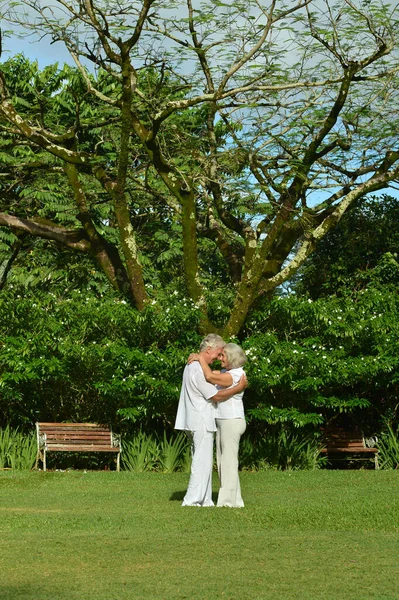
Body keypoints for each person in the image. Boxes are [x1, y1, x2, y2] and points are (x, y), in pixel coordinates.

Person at [175, 334, 247, 507]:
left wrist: (199, 358)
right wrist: (238, 388)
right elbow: (214, 395)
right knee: (203, 461)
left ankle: (210, 499)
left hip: (215, 420)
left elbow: (212, 379)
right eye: (218, 353)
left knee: (211, 461)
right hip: (201, 420)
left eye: (223, 354)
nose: (218, 357)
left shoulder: (198, 367)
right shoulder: (198, 368)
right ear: (209, 350)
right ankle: (194, 499)